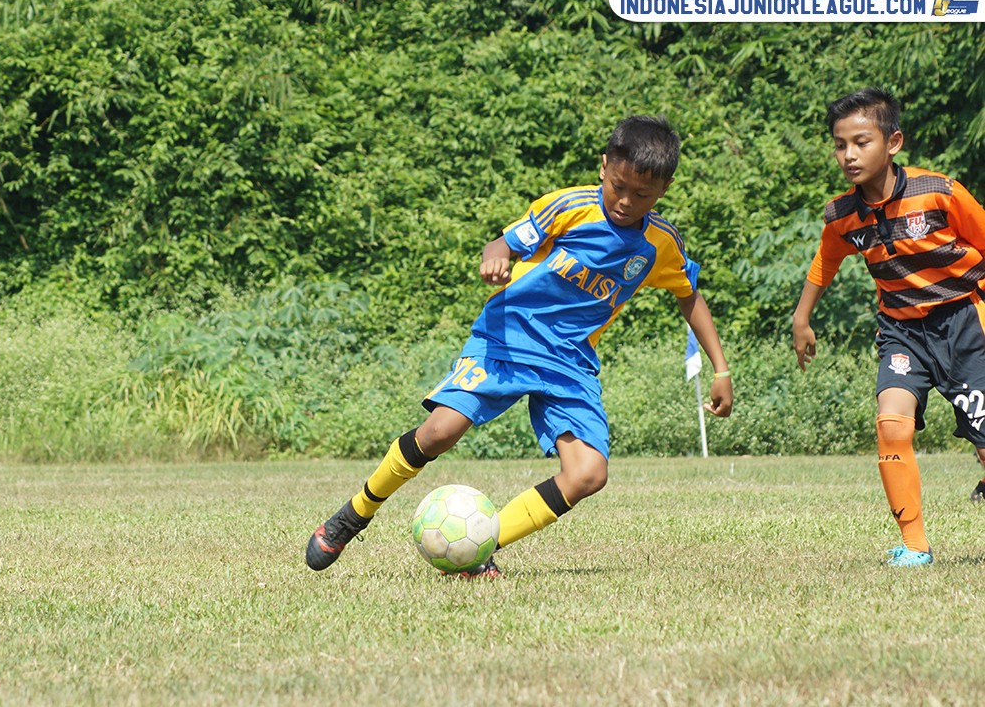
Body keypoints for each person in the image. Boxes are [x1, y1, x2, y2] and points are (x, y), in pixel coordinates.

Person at [306, 115, 734, 577]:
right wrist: (496, 259)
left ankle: (478, 551)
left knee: (588, 474)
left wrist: (721, 369)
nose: (626, 202)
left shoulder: (659, 244)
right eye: (618, 186)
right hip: (509, 338)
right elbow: (504, 242)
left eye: (642, 195)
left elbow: (688, 295)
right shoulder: (570, 207)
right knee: (439, 432)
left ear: (665, 189)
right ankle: (353, 515)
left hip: (569, 362)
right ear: (604, 166)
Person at [792, 87, 985, 567]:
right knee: (891, 425)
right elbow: (825, 263)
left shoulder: (938, 191)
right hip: (902, 332)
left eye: (862, 141)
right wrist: (802, 318)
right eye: (840, 145)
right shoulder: (842, 216)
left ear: (893, 141)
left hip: (965, 323)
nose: (849, 155)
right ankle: (915, 546)